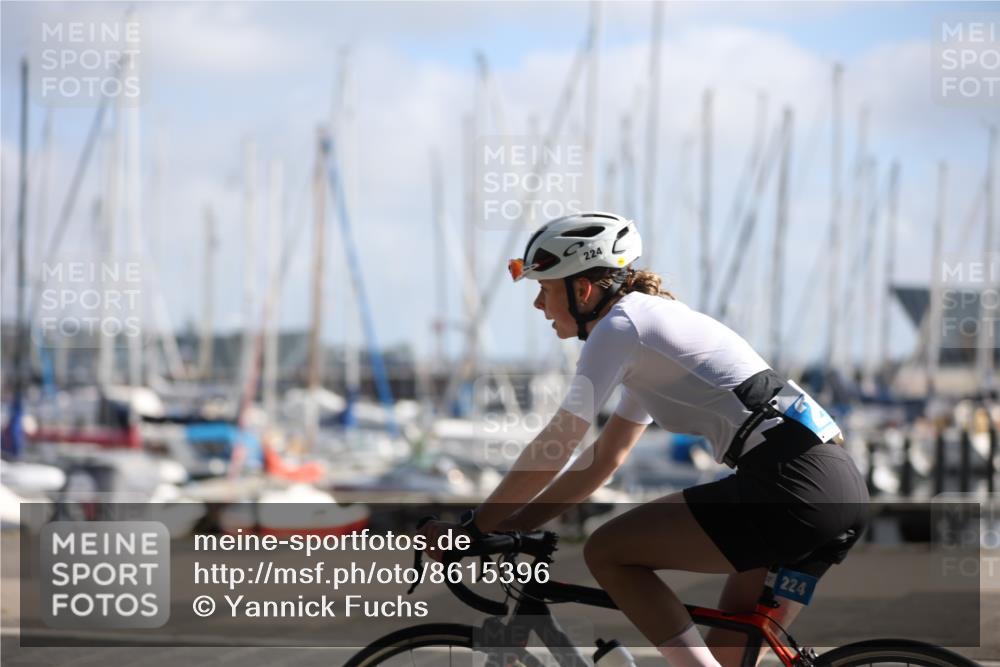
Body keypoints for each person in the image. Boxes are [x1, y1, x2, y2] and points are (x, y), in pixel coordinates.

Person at [422, 212, 870, 667]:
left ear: (583, 290)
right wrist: (514, 522)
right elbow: (603, 461)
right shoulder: (647, 330)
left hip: (790, 486)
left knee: (608, 551)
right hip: (834, 483)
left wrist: (475, 528)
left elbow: (557, 441)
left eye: (546, 288)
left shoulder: (622, 327)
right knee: (726, 652)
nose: (539, 304)